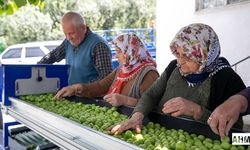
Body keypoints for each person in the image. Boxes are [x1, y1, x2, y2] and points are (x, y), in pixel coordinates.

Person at [108, 23, 246, 135]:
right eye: (178, 54)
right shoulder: (174, 67)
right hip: (162, 134)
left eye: (187, 57)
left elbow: (239, 134)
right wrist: (137, 116)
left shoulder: (228, 79)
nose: (180, 62)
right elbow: (151, 94)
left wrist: (197, 111)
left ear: (205, 54)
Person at [54, 33, 159, 107]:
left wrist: (126, 101)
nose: (116, 55)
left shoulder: (149, 73)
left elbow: (153, 105)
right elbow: (101, 86)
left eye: (119, 51)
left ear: (130, 52)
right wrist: (75, 88)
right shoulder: (121, 70)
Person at [38, 12, 113, 85]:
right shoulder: (68, 42)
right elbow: (53, 56)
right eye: (65, 34)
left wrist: (80, 88)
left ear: (83, 28)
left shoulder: (98, 45)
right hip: (73, 94)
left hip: (92, 97)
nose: (68, 38)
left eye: (71, 33)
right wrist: (36, 68)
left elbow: (106, 78)